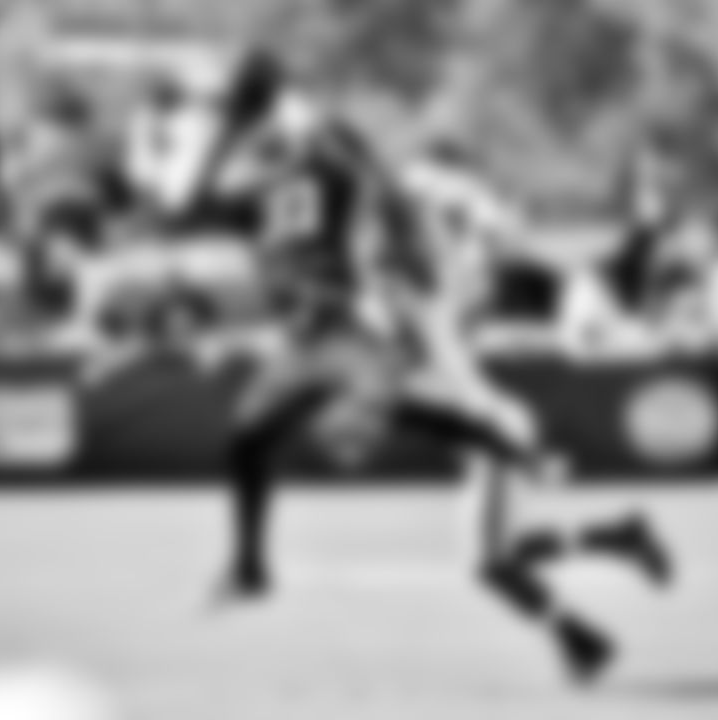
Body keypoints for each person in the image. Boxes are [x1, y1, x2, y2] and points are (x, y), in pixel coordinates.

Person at [87, 48, 672, 682]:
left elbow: (433, 343)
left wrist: (509, 435)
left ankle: (591, 619)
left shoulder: (408, 289)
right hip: (478, 413)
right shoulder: (400, 283)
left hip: (491, 419)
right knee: (494, 552)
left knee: (488, 560)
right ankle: (610, 570)